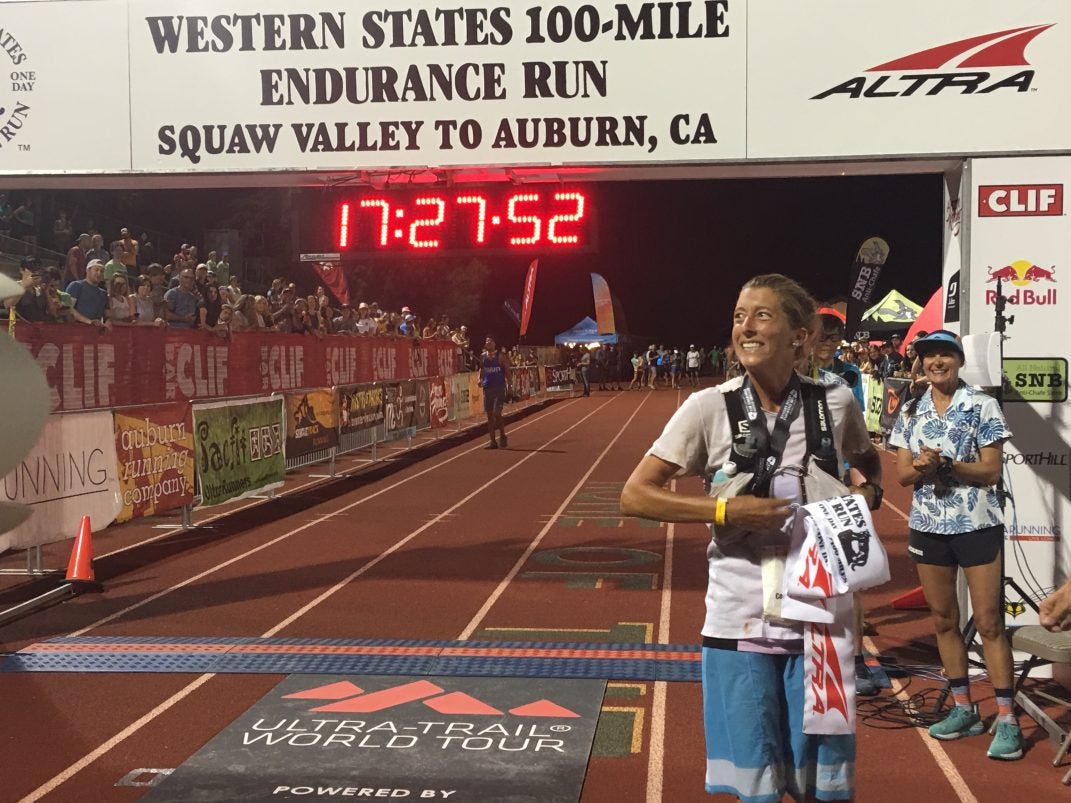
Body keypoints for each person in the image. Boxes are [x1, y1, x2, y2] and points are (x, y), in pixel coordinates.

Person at [620, 273, 882, 802]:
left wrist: (867, 493)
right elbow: (636, 495)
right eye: (740, 316)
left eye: (762, 315)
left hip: (820, 624)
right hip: (738, 621)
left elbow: (867, 459)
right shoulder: (708, 406)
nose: (746, 327)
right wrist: (724, 508)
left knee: (822, 789)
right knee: (755, 789)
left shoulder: (834, 401)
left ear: (799, 336)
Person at [888, 329, 1021, 760]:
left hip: (977, 524)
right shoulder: (912, 408)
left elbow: (991, 471)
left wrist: (946, 463)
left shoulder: (982, 405)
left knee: (989, 621)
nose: (937, 362)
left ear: (960, 361)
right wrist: (922, 466)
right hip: (928, 526)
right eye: (929, 356)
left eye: (945, 354)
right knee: (944, 619)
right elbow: (902, 475)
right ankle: (964, 708)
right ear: (921, 364)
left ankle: (1007, 718)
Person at [480, 335, 510, 449]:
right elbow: (482, 369)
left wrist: (510, 386)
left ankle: (502, 435)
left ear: (494, 343)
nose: (488, 343)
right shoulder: (483, 356)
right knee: (489, 416)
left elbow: (507, 370)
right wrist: (479, 379)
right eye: (486, 341)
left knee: (497, 413)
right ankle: (493, 441)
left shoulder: (500, 356)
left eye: (490, 341)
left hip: (499, 388)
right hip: (488, 388)